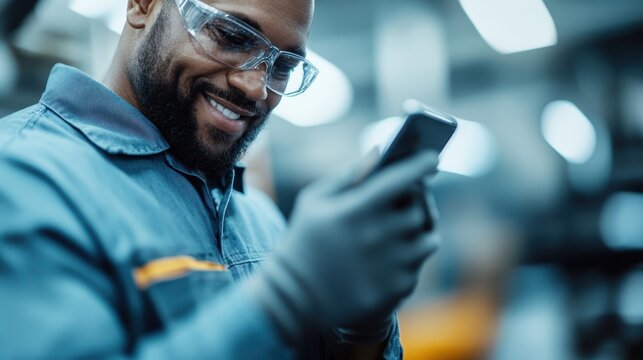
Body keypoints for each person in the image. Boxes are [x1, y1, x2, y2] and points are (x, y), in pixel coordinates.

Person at [0, 0, 440, 358]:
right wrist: (286, 299)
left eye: (283, 65)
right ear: (142, 5)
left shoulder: (259, 219)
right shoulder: (23, 176)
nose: (255, 87)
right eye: (231, 36)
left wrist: (364, 328)